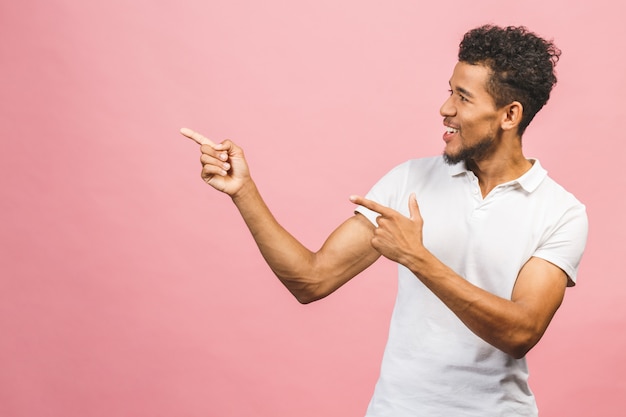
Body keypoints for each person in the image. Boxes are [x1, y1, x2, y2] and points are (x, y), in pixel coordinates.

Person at [181, 25, 588, 417]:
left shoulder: (560, 212)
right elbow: (311, 279)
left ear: (509, 115)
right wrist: (244, 191)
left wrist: (417, 257)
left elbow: (520, 333)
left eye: (463, 98)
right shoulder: (409, 180)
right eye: (449, 91)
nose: (445, 109)